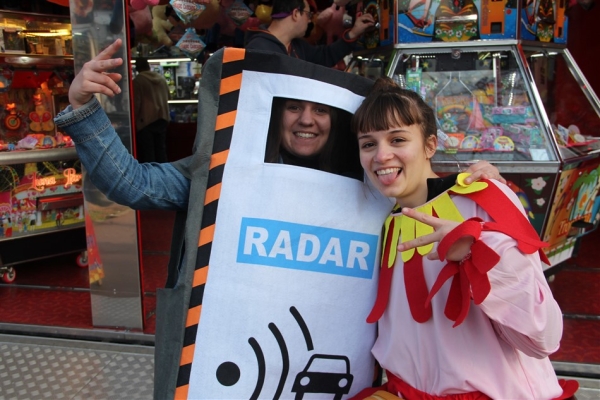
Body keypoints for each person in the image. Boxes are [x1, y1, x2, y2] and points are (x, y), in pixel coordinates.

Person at [349, 77, 575, 399]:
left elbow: (543, 335)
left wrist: (477, 250)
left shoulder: (482, 198)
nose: (382, 155)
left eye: (398, 140)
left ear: (430, 145)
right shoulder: (382, 223)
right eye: (368, 144)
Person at [245, 0, 376, 67]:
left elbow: (325, 55)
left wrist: (353, 33)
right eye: (308, 15)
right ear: (296, 14)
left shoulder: (297, 46)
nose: (309, 21)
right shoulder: (258, 48)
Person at [132, 57, 170, 163]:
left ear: (137, 68)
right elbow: (168, 96)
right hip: (162, 118)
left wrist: (134, 120)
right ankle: (164, 177)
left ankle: (151, 179)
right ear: (148, 66)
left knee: (148, 155)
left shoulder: (138, 81)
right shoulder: (161, 79)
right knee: (161, 152)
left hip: (146, 121)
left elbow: (136, 103)